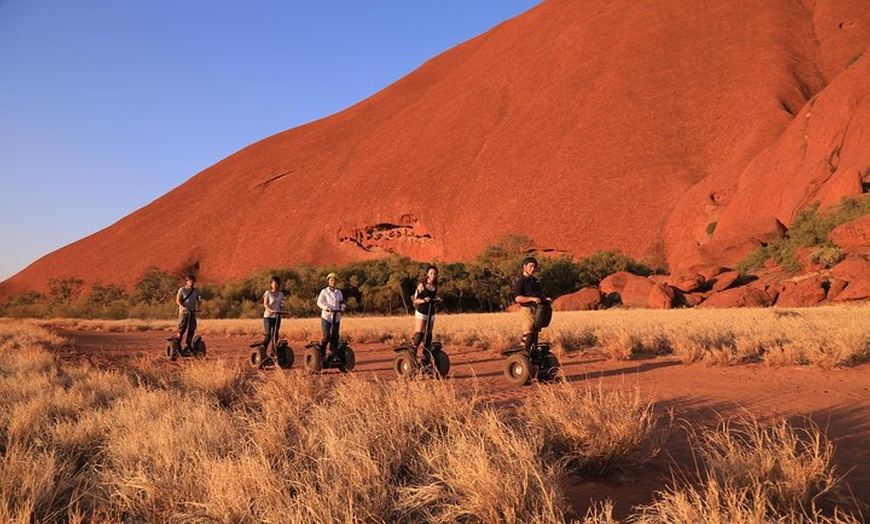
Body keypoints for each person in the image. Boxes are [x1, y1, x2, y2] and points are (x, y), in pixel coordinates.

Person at [512, 256, 550, 351]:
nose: (533, 269)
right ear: (524, 267)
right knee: (529, 332)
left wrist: (545, 298)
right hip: (527, 310)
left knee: (535, 333)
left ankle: (531, 355)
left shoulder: (535, 281)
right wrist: (531, 299)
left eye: (534, 267)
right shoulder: (520, 281)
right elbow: (518, 298)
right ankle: (521, 353)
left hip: (538, 310)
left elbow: (539, 294)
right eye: (531, 266)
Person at [411, 265, 440, 357]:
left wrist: (438, 299)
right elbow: (415, 300)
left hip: (431, 312)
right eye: (431, 273)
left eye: (435, 274)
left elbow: (434, 296)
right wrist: (424, 300)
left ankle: (425, 355)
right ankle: (413, 352)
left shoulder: (435, 286)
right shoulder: (421, 285)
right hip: (421, 312)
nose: (433, 275)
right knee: (419, 335)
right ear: (427, 274)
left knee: (428, 335)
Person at [316, 272, 346, 356]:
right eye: (331, 280)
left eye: (335, 280)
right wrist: (326, 308)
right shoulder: (324, 292)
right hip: (326, 317)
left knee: (335, 336)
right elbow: (319, 302)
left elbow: (342, 302)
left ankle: (334, 352)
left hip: (336, 317)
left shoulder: (339, 292)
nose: (333, 282)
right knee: (327, 336)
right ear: (328, 281)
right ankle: (322, 352)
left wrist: (343, 307)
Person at [175, 274, 202, 350]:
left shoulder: (196, 290)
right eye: (190, 281)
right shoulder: (182, 290)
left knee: (192, 328)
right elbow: (177, 300)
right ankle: (177, 345)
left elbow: (199, 299)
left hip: (192, 311)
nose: (192, 283)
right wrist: (182, 307)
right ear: (187, 282)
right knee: (182, 328)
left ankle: (188, 345)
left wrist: (198, 306)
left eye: (193, 281)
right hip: (184, 312)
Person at [262, 275, 284, 350]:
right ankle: (262, 350)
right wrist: (271, 310)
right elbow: (265, 304)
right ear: (271, 284)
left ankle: (273, 352)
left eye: (276, 284)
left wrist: (281, 310)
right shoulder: (267, 293)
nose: (275, 285)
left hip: (277, 316)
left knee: (275, 335)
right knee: (268, 336)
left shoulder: (281, 294)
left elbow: (281, 303)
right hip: (268, 316)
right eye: (273, 283)